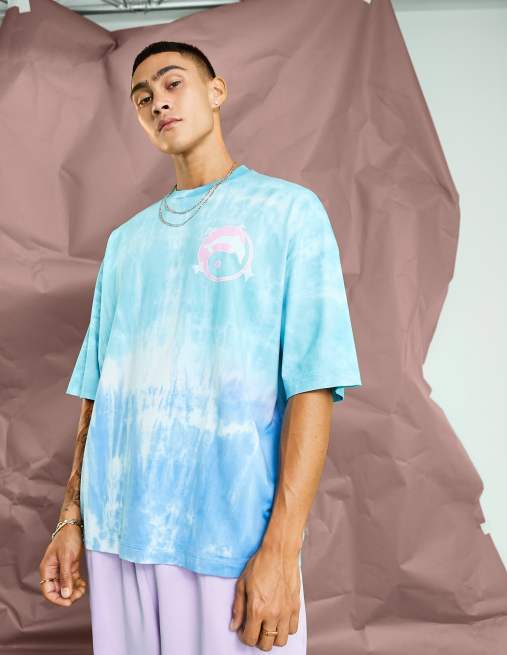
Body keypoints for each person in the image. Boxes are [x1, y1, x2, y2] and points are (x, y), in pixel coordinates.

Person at [39, 41, 362, 653]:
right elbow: (98, 395)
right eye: (143, 98)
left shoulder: (288, 213)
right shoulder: (125, 243)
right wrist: (71, 519)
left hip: (229, 542)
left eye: (172, 83)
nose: (158, 103)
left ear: (217, 92)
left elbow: (313, 386)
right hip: (119, 539)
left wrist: (281, 550)